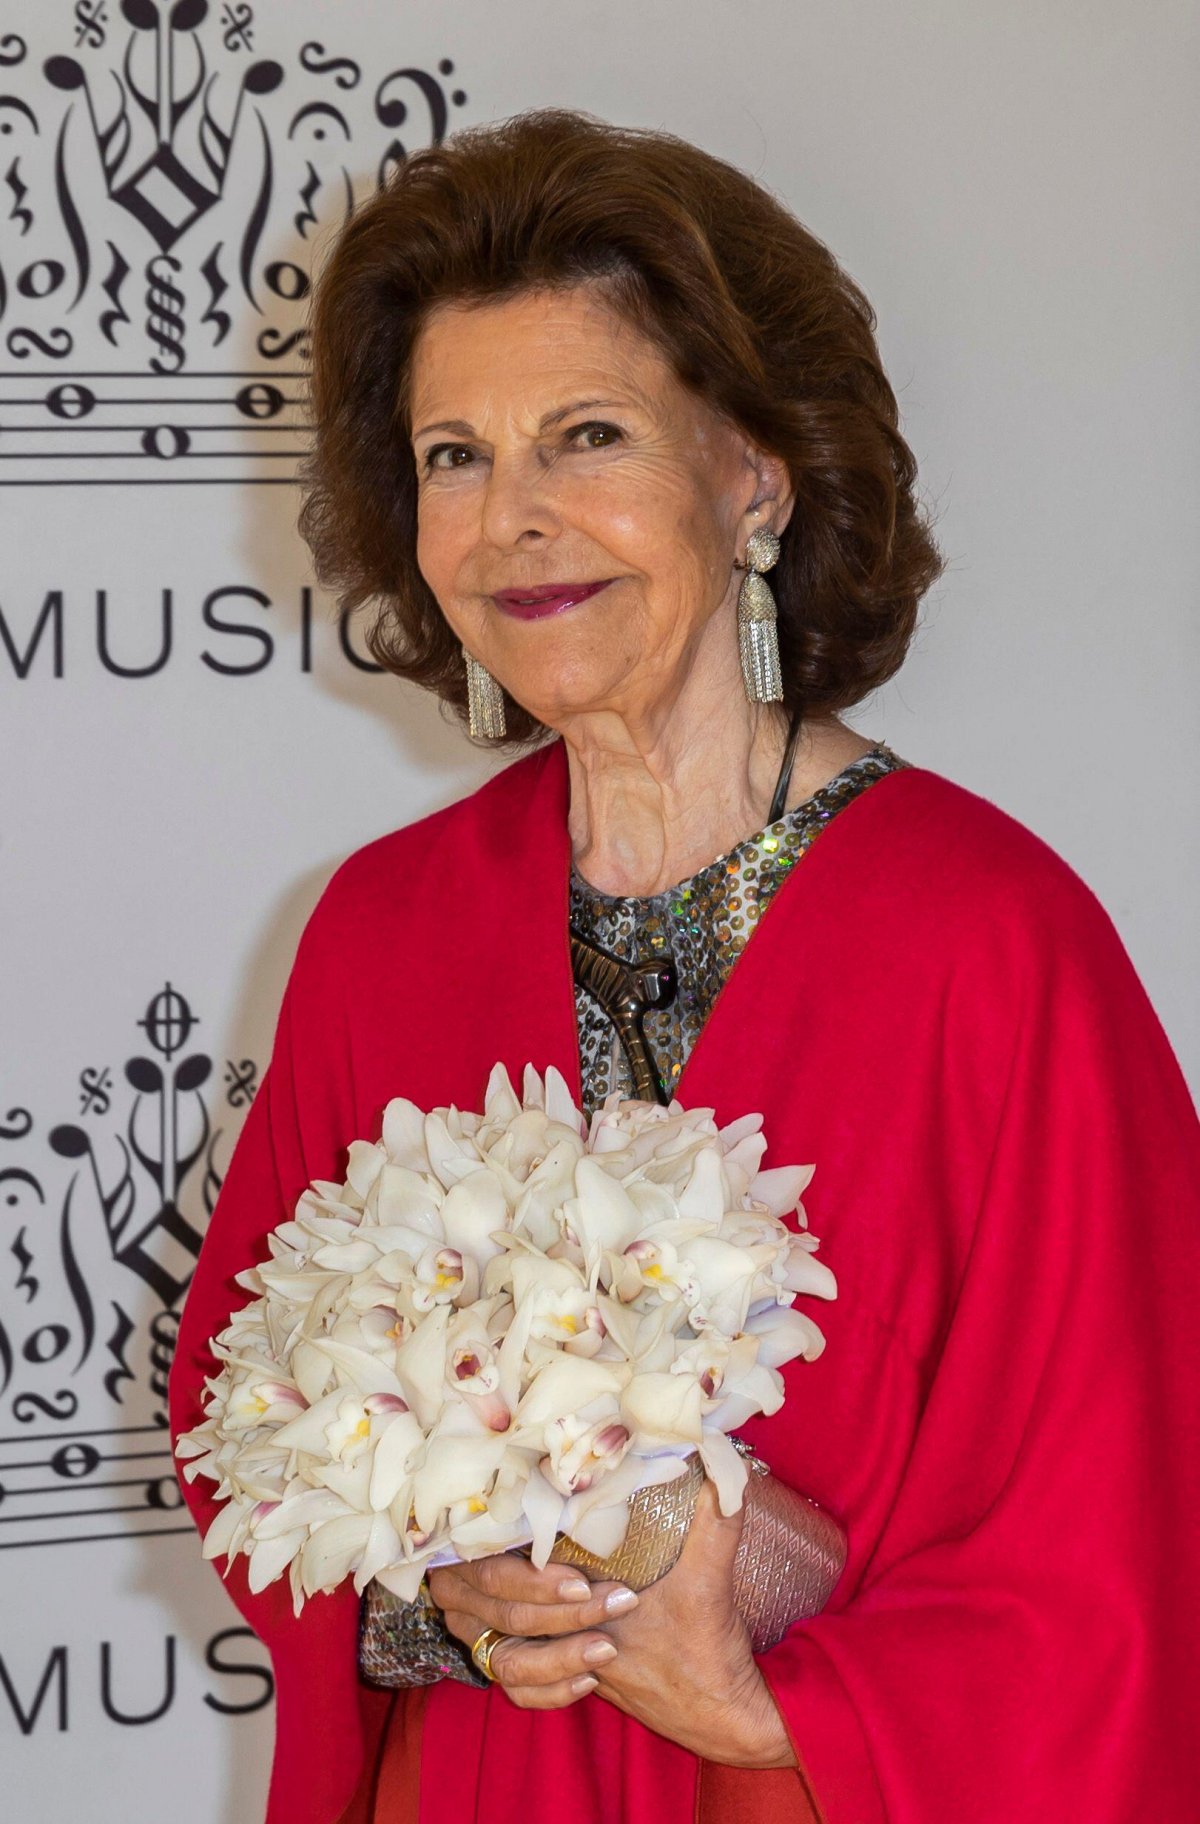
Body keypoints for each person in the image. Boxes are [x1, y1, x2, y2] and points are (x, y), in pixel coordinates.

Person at [169, 108, 1200, 1824]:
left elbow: (1136, 1542)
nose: (515, 520)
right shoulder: (384, 927)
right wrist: (432, 1602)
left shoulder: (989, 941)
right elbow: (244, 1431)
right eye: (451, 456)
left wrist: (779, 1700)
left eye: (588, 435)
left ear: (756, 474)